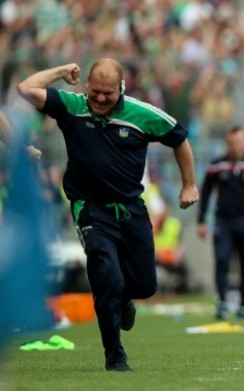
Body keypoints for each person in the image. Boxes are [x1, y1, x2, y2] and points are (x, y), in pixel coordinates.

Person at [16, 58, 200, 371]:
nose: (100, 99)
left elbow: (179, 138)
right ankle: (115, 356)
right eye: (95, 92)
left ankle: (124, 298)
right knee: (106, 276)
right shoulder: (72, 106)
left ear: (122, 90)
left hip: (130, 210)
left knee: (145, 285)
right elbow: (26, 88)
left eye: (108, 94)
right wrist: (61, 72)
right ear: (86, 86)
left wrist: (189, 185)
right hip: (90, 209)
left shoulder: (142, 115)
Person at [197, 125, 244, 320]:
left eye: (238, 142)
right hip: (223, 220)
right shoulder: (217, 165)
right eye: (231, 142)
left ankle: (243, 304)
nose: (235, 146)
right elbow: (205, 192)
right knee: (221, 260)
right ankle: (222, 302)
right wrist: (202, 220)